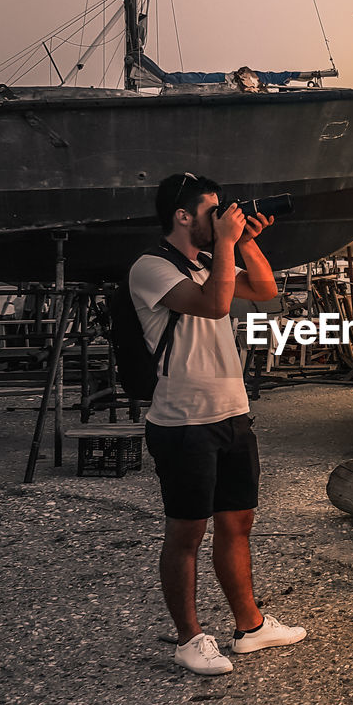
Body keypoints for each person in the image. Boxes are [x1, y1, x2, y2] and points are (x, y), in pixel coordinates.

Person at [129, 172, 306, 675]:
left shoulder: (214, 259)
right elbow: (215, 305)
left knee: (238, 522)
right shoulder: (151, 267)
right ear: (182, 216)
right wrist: (227, 243)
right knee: (187, 533)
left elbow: (267, 290)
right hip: (183, 420)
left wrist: (244, 242)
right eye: (213, 211)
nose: (221, 218)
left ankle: (249, 627)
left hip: (232, 413)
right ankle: (188, 638)